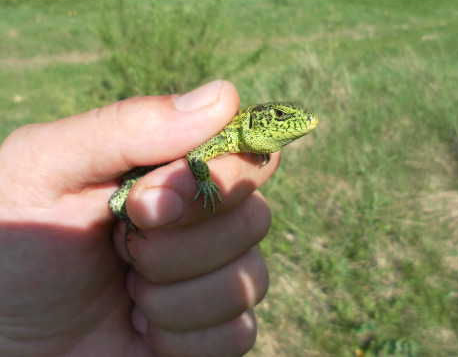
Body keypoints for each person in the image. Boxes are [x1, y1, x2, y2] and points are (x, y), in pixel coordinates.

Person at [0, 80, 275, 356]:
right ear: (254, 121)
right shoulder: (223, 132)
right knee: (120, 203)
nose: (303, 121)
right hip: (131, 187)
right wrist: (204, 182)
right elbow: (196, 155)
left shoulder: (234, 137)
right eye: (279, 116)